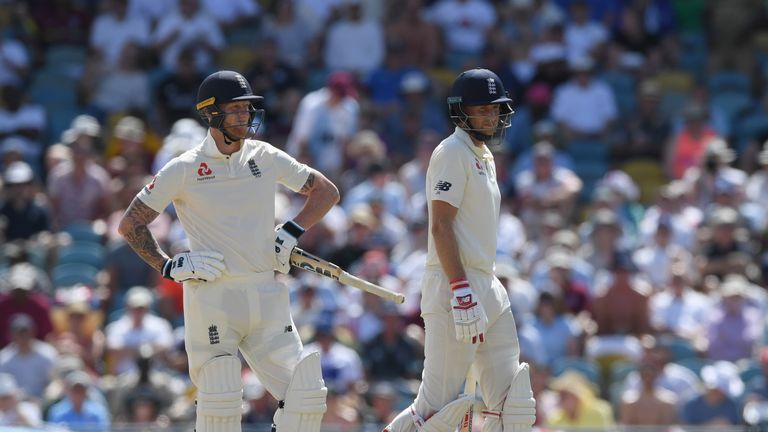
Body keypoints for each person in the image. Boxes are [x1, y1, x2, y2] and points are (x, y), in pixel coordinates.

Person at [117, 70, 340, 432]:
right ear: (211, 114)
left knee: (307, 396)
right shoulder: (184, 168)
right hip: (214, 298)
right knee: (220, 403)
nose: (244, 117)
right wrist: (168, 266)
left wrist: (291, 230)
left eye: (246, 109)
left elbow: (326, 191)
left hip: (266, 294)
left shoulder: (265, 156)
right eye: (235, 110)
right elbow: (130, 225)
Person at [385, 68, 536, 431]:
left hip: (488, 284)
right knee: (438, 409)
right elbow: (440, 225)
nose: (490, 116)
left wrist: (476, 288)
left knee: (512, 405)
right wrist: (460, 288)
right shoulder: (451, 151)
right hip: (456, 288)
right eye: (481, 109)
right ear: (460, 112)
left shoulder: (484, 156)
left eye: (495, 109)